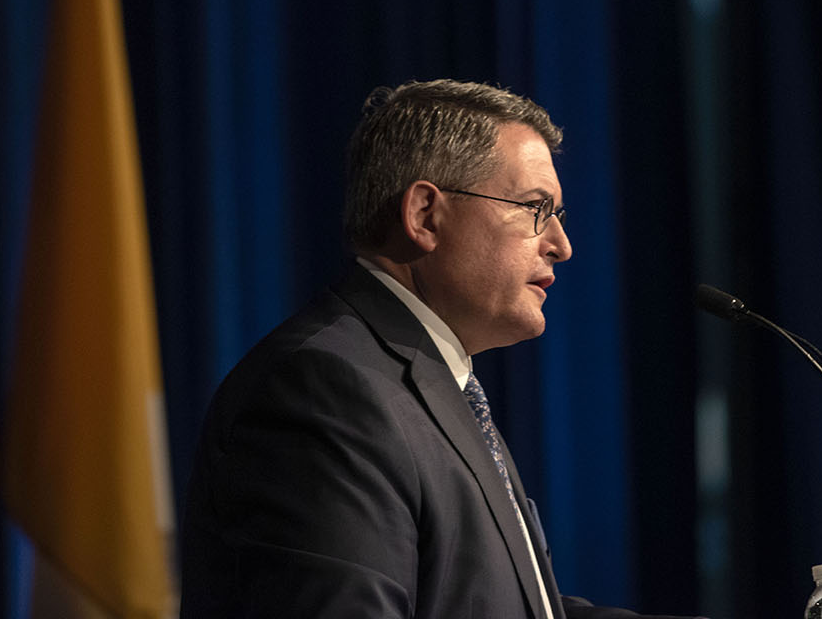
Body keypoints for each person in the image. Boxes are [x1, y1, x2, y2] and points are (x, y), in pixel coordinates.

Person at [180, 79, 703, 618]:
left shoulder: (431, 383)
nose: (561, 245)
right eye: (533, 208)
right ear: (425, 215)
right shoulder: (325, 392)